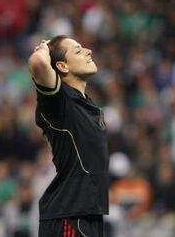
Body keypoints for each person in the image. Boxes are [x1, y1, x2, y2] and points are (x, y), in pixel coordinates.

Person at [28, 35, 109, 237]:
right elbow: (37, 63)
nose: (89, 51)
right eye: (78, 51)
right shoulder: (60, 101)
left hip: (88, 213)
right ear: (63, 67)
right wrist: (44, 49)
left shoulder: (86, 104)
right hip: (68, 215)